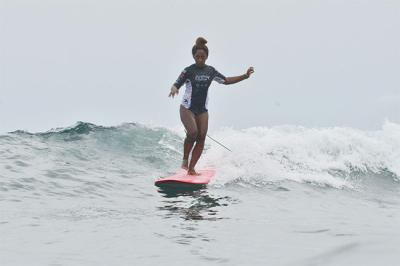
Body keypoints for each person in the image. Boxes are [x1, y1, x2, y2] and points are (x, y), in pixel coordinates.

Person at [169, 37, 254, 175]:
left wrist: (245, 76)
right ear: (194, 56)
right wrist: (174, 88)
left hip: (202, 110)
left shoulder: (211, 71)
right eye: (197, 57)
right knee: (193, 133)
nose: (200, 59)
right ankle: (185, 160)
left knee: (201, 137)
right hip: (187, 108)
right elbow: (177, 83)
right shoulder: (188, 71)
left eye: (203, 57)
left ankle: (191, 169)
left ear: (207, 57)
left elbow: (226, 80)